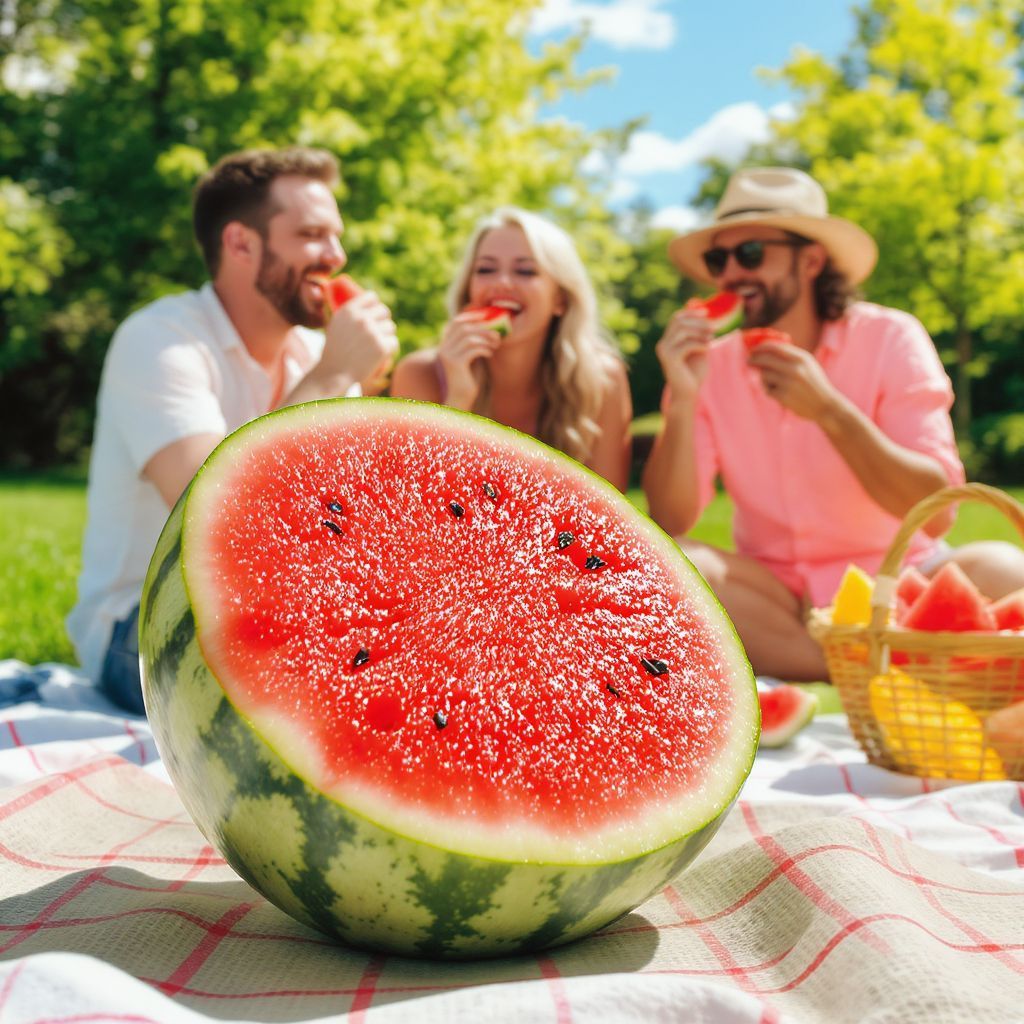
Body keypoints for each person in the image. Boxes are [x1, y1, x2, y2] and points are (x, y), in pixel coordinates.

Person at [643, 166, 1024, 681]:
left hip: (901, 578)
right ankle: (875, 671)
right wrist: (683, 400)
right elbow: (674, 518)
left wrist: (830, 411)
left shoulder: (890, 337)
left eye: (751, 253)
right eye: (719, 258)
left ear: (811, 260)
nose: (731, 273)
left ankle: (828, 662)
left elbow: (937, 514)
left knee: (1007, 568)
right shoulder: (706, 365)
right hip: (775, 595)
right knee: (668, 561)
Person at [67, 146, 399, 714]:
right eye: (312, 235)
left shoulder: (316, 356)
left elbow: (350, 529)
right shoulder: (158, 341)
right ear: (241, 243)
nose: (337, 256)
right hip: (144, 627)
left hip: (283, 618)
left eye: (336, 236)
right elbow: (214, 517)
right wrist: (336, 374)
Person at [389, 207, 633, 490]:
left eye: (525, 271)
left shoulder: (603, 379)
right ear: (469, 289)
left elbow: (609, 516)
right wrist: (457, 397)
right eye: (485, 269)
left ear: (560, 300)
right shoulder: (421, 374)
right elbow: (414, 507)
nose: (501, 282)